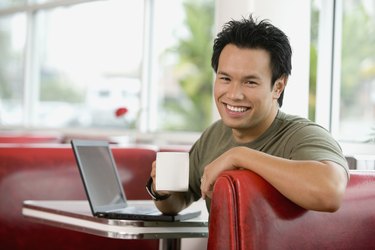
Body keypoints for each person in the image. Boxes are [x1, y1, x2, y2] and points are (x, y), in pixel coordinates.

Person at [146, 15, 349, 215]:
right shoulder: (214, 136)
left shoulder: (302, 135)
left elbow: (330, 193)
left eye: (250, 82)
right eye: (225, 78)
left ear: (278, 86)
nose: (234, 94)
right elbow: (176, 203)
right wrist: (161, 189)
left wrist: (239, 156)